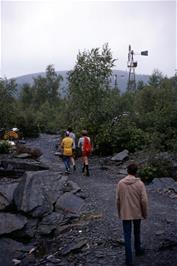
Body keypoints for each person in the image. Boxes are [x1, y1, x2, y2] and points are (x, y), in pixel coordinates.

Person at [116, 163, 148, 266]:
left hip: (125, 213)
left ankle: (128, 260)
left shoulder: (120, 183)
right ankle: (138, 250)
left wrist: (119, 212)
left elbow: (117, 199)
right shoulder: (140, 184)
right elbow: (144, 200)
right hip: (137, 212)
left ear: (127, 171)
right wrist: (145, 213)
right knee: (137, 232)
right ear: (136, 172)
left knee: (127, 236)